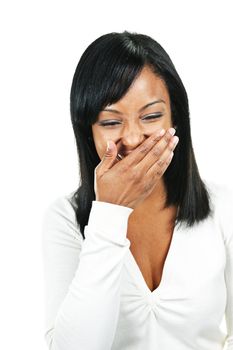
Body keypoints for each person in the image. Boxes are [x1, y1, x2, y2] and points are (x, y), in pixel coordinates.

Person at [41, 31, 233, 350]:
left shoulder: (223, 207)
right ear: (88, 131)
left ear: (177, 120)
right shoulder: (65, 218)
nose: (132, 139)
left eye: (151, 116)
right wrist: (108, 215)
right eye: (110, 122)